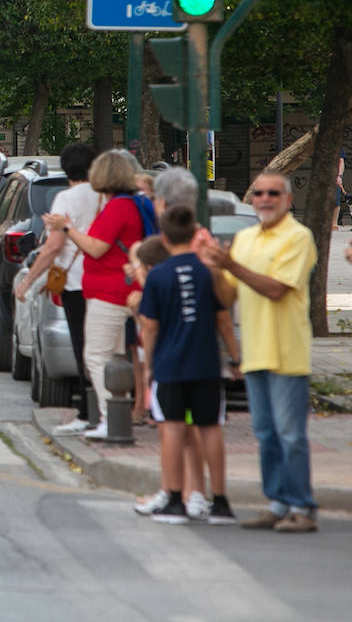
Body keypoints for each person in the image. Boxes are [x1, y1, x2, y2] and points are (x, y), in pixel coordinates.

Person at [199, 170, 319, 532]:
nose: (265, 199)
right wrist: (217, 271)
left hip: (286, 351)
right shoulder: (245, 238)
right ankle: (278, 503)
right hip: (255, 352)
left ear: (288, 200)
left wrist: (230, 264)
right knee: (266, 434)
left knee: (291, 435)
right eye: (259, 193)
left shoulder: (299, 237)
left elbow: (277, 289)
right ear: (251, 199)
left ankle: (302, 507)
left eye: (273, 193)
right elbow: (227, 297)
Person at [135, 208, 240, 525]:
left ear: (165, 238)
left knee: (173, 429)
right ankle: (219, 502)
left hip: (170, 363)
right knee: (210, 428)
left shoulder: (157, 275)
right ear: (194, 234)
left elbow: (150, 325)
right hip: (206, 362)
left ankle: (176, 500)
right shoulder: (207, 271)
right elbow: (223, 318)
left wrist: (149, 363)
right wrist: (235, 358)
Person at [42, 149, 152, 440]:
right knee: (115, 355)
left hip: (109, 291)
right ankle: (117, 416)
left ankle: (108, 418)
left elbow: (96, 247)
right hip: (119, 288)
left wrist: (66, 227)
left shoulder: (117, 208)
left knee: (96, 355)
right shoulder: (129, 204)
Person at [15, 143, 98, 427]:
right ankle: (109, 407)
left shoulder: (66, 199)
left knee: (82, 347)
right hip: (101, 280)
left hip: (75, 282)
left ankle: (88, 411)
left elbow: (53, 246)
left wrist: (27, 280)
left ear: (66, 169)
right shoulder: (104, 197)